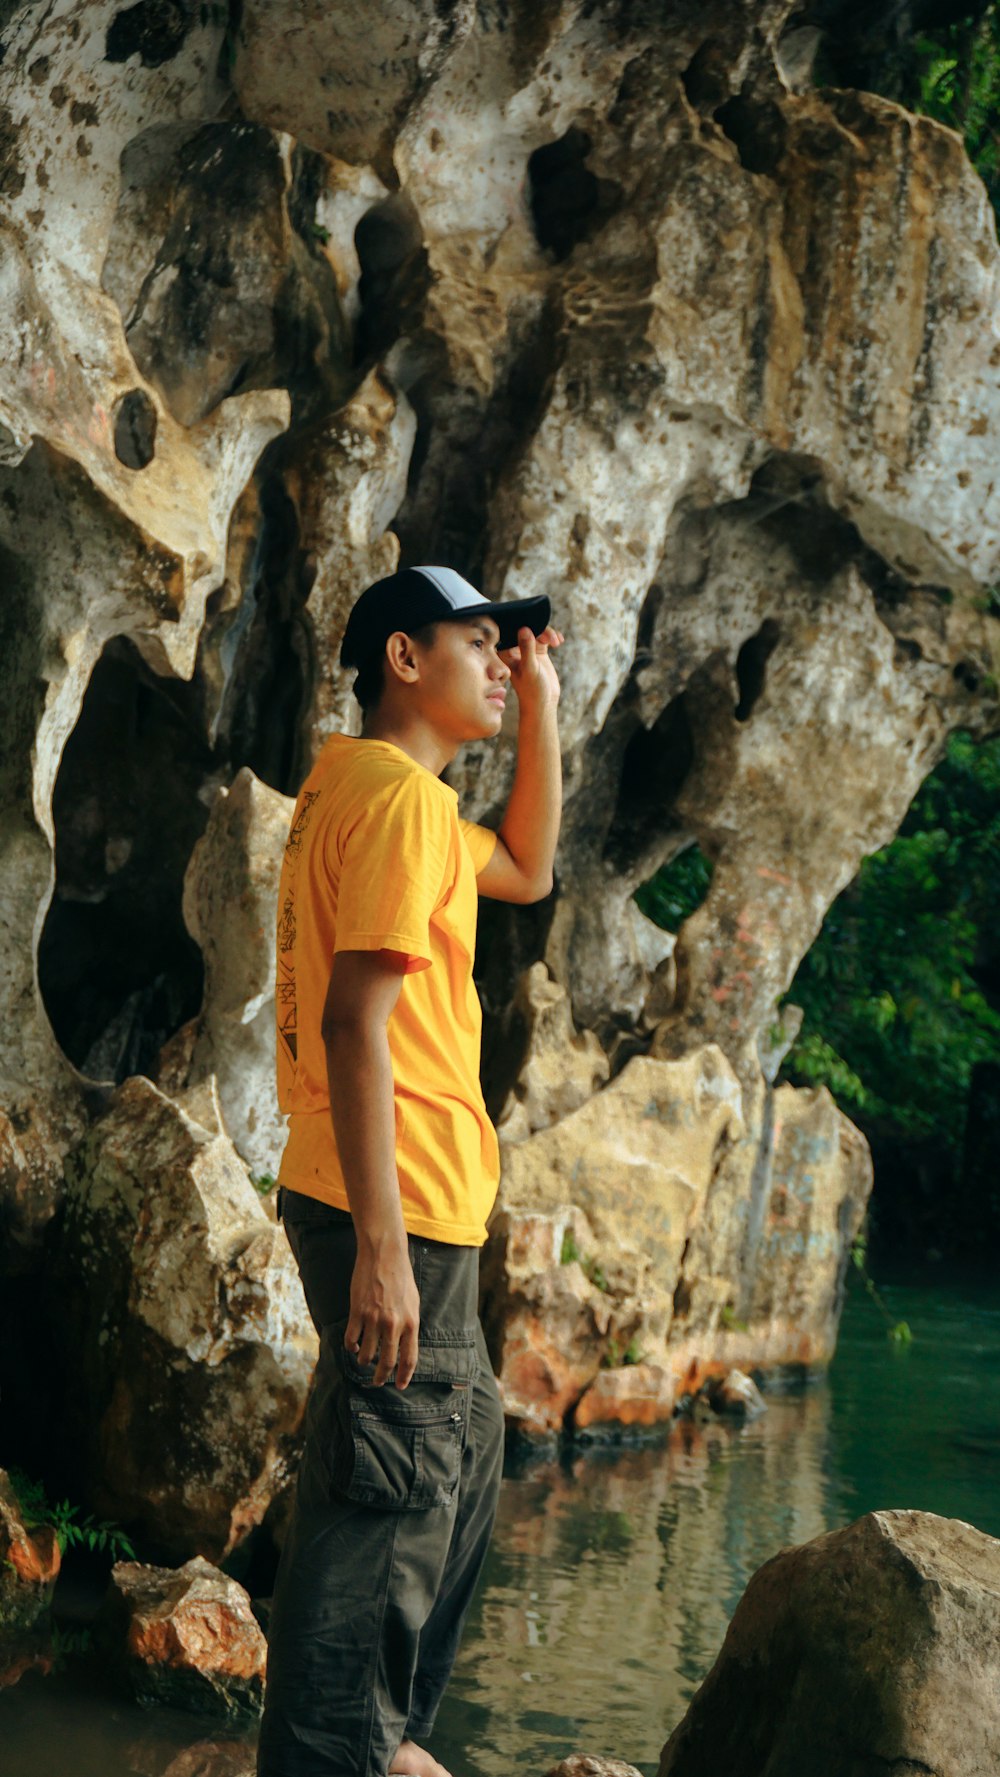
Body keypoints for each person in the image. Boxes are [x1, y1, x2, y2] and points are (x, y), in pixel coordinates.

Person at [258, 564, 563, 1777]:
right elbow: (353, 1023)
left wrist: (537, 699)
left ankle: (377, 1743)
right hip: (389, 1207)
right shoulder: (393, 802)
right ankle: (343, 1750)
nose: (497, 661)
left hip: (409, 1205)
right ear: (401, 656)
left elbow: (530, 869)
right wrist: (382, 1249)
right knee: (385, 1506)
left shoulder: (392, 798)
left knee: (457, 1454)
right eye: (478, 642)